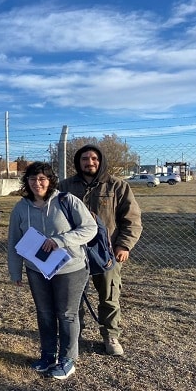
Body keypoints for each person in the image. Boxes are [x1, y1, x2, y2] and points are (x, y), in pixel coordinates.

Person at [8, 161, 97, 380]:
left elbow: (90, 229)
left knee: (66, 314)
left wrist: (61, 240)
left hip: (70, 268)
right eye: (32, 179)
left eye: (42, 179)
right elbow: (14, 240)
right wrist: (15, 271)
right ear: (26, 182)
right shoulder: (21, 208)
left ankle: (68, 359)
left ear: (50, 180)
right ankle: (48, 354)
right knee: (45, 314)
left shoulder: (67, 201)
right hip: (37, 270)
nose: (37, 183)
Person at [58, 144, 142, 356]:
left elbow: (132, 219)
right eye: (85, 159)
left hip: (107, 253)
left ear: (100, 160)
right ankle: (74, 334)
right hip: (74, 252)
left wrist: (124, 245)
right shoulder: (65, 186)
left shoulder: (117, 187)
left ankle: (110, 335)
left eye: (94, 158)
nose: (90, 162)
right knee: (74, 296)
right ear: (78, 162)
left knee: (109, 295)